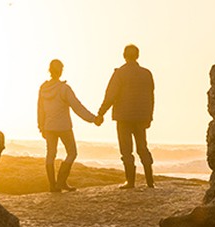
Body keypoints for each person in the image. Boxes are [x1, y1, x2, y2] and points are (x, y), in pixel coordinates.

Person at [95, 44, 155, 189]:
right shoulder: (146, 73)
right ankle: (150, 181)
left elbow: (110, 95)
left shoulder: (120, 73)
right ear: (138, 56)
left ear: (124, 56)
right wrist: (149, 116)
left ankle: (130, 182)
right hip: (141, 117)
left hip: (123, 117)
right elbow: (151, 97)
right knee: (142, 148)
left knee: (126, 150)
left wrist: (101, 113)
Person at [37, 59, 97, 192]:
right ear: (61, 70)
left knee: (50, 155)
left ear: (49, 70)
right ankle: (61, 182)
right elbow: (77, 107)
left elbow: (40, 109)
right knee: (72, 152)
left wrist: (41, 126)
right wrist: (93, 119)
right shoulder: (64, 88)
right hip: (63, 127)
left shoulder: (43, 88)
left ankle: (53, 186)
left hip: (49, 126)